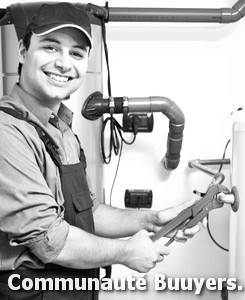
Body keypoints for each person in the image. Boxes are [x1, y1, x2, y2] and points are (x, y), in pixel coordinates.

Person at [0, 2, 201, 299]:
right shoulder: (7, 131)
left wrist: (154, 219)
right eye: (51, 47)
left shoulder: (63, 129)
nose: (64, 64)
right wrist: (125, 252)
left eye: (76, 53)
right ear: (21, 50)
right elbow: (49, 239)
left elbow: (89, 212)